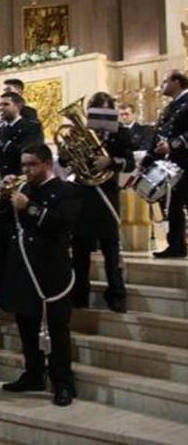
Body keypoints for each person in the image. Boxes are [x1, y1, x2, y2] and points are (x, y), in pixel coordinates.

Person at [0, 143, 80, 407]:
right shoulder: (23, 188)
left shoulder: (66, 190)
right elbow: (1, 220)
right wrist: (4, 195)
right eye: (23, 165)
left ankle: (63, 382)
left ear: (45, 163)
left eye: (31, 165)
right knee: (27, 325)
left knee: (57, 329)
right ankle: (33, 373)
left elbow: (64, 222)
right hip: (23, 268)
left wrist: (30, 207)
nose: (26, 170)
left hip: (51, 270)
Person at [64, 93, 134, 313]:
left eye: (106, 111)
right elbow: (66, 161)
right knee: (81, 249)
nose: (101, 116)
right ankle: (80, 294)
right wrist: (66, 155)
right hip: (83, 195)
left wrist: (110, 161)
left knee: (110, 248)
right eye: (97, 112)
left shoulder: (120, 132)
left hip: (106, 194)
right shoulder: (79, 131)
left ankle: (116, 294)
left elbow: (129, 162)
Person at [139, 70, 188, 258]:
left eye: (166, 81)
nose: (162, 85)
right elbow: (159, 135)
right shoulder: (170, 107)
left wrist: (173, 145)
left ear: (177, 82)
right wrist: (145, 163)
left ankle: (177, 245)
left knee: (178, 204)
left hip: (184, 161)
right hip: (171, 165)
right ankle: (176, 245)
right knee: (173, 206)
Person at [0, 92, 44, 183]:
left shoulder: (30, 126)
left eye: (6, 104)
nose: (1, 108)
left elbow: (26, 152)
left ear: (18, 106)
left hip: (18, 176)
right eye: (0, 105)